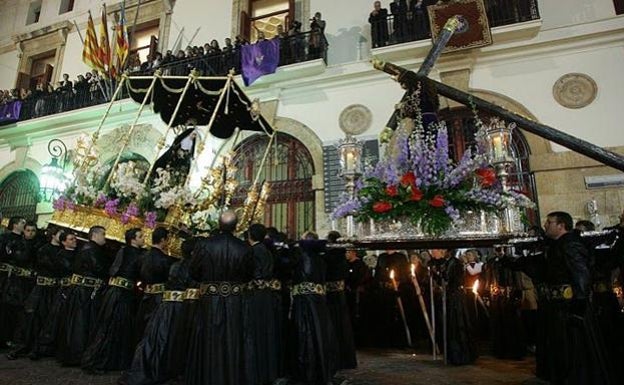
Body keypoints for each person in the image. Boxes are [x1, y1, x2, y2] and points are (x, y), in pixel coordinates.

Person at [537, 211, 615, 384]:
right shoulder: (557, 244)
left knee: (575, 348)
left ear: (561, 225)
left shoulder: (570, 244)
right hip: (560, 306)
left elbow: (581, 274)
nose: (545, 226)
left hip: (570, 306)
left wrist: (579, 307)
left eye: (549, 222)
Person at [186, 210, 253, 385]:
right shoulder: (244, 247)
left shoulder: (204, 245)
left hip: (209, 300)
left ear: (218, 224)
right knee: (234, 340)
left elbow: (193, 271)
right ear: (236, 226)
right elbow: (249, 274)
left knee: (208, 340)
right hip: (235, 302)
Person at [120, 238, 197, 385]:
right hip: (180, 309)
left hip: (165, 307)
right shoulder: (191, 268)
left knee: (157, 340)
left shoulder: (175, 265)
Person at [82, 228, 144, 373]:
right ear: (133, 239)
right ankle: (100, 361)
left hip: (117, 293)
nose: (143, 239)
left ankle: (109, 361)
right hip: (121, 294)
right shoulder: (136, 254)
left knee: (112, 328)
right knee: (112, 329)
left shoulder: (123, 251)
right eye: (140, 236)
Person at [289, 231, 337, 385]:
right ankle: (320, 369)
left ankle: (306, 372)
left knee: (305, 335)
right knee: (319, 334)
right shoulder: (322, 258)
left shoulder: (302, 257)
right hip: (318, 302)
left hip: (304, 303)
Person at [57, 226, 109, 366]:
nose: (105, 237)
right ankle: (77, 355)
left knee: (80, 324)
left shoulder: (89, 248)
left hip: (83, 291)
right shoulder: (91, 250)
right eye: (103, 234)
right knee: (81, 324)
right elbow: (99, 268)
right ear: (95, 235)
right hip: (85, 292)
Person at [10, 226, 63, 359]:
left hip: (55, 289)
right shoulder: (43, 249)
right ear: (53, 235)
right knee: (34, 318)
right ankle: (27, 346)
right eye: (60, 234)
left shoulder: (61, 250)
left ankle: (41, 347)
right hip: (42, 289)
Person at [244, 223, 283, 385]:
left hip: (254, 296)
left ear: (249, 236)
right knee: (266, 331)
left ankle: (255, 372)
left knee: (254, 332)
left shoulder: (252, 251)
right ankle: (268, 371)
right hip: (266, 295)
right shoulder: (266, 251)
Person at [37, 231, 77, 357]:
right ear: (64, 241)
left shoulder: (78, 253)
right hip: (64, 290)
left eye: (74, 239)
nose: (74, 241)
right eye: (71, 239)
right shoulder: (61, 255)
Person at [4, 220, 38, 358]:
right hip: (17, 283)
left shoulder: (38, 245)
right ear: (23, 231)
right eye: (28, 230)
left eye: (33, 231)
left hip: (32, 284)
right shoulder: (16, 244)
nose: (30, 233)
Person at [135, 227, 176, 340]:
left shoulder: (143, 256)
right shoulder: (166, 260)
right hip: (158, 298)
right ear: (163, 240)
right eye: (168, 239)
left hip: (144, 295)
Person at [324, 231, 357, 370]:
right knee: (342, 325)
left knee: (332, 324)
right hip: (340, 293)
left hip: (330, 295)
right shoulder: (342, 256)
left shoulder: (328, 257)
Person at [0, 216, 26, 347]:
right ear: (15, 225)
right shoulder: (5, 238)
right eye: (22, 223)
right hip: (4, 278)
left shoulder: (24, 240)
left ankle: (7, 337)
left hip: (17, 280)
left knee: (11, 309)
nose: (24, 225)